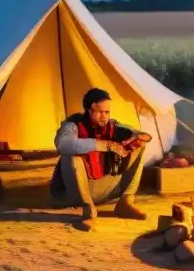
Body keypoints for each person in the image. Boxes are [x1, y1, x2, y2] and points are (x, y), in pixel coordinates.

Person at [50, 87, 149, 230]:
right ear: (89, 111)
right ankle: (88, 209)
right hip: (73, 193)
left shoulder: (112, 126)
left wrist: (137, 138)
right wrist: (102, 145)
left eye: (107, 112)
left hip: (105, 190)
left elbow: (140, 134)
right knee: (72, 155)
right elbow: (62, 144)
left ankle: (125, 202)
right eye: (100, 112)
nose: (104, 116)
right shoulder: (73, 125)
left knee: (139, 146)